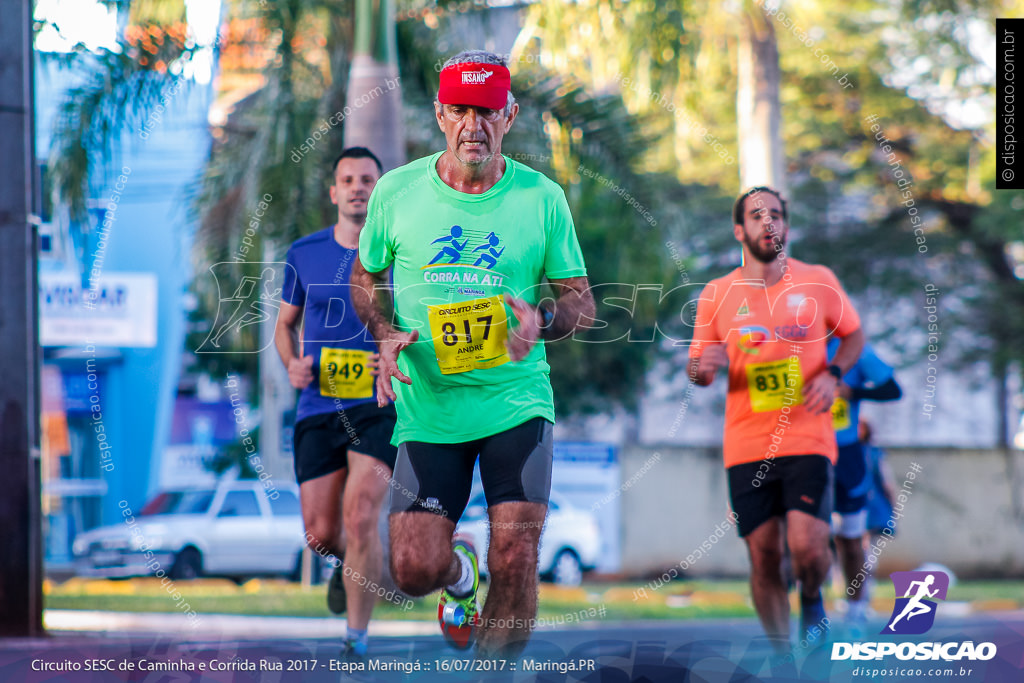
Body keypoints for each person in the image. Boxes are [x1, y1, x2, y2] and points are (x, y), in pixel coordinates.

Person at [350, 50, 594, 657]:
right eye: (460, 110)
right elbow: (363, 274)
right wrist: (382, 330)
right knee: (411, 569)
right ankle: (459, 577)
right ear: (440, 114)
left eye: (486, 112)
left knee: (515, 555)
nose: (473, 125)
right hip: (430, 409)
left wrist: (540, 321)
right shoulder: (397, 192)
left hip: (515, 401)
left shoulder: (541, 199)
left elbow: (581, 304)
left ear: (508, 115)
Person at [688, 186, 865, 657]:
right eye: (757, 215)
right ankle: (783, 658)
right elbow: (697, 364)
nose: (769, 224)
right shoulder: (717, 294)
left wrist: (833, 374)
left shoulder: (817, 280)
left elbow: (853, 335)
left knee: (808, 547)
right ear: (738, 230)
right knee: (764, 555)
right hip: (747, 444)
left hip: (808, 434)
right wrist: (702, 369)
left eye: (778, 215)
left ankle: (811, 598)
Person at [274, 147, 398, 657]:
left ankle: (356, 639)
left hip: (376, 405)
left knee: (361, 515)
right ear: (334, 192)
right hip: (318, 406)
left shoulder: (401, 253)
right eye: (347, 179)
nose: (357, 187)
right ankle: (357, 568)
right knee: (322, 534)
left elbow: (416, 328)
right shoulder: (304, 253)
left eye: (367, 179)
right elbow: (284, 326)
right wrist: (291, 364)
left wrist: (390, 357)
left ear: (380, 188)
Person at [826, 338, 901, 631]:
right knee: (810, 536)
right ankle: (812, 606)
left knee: (850, 538)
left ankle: (856, 607)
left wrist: (852, 391)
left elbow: (893, 390)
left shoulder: (855, 349)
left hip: (845, 455)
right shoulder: (788, 343)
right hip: (802, 453)